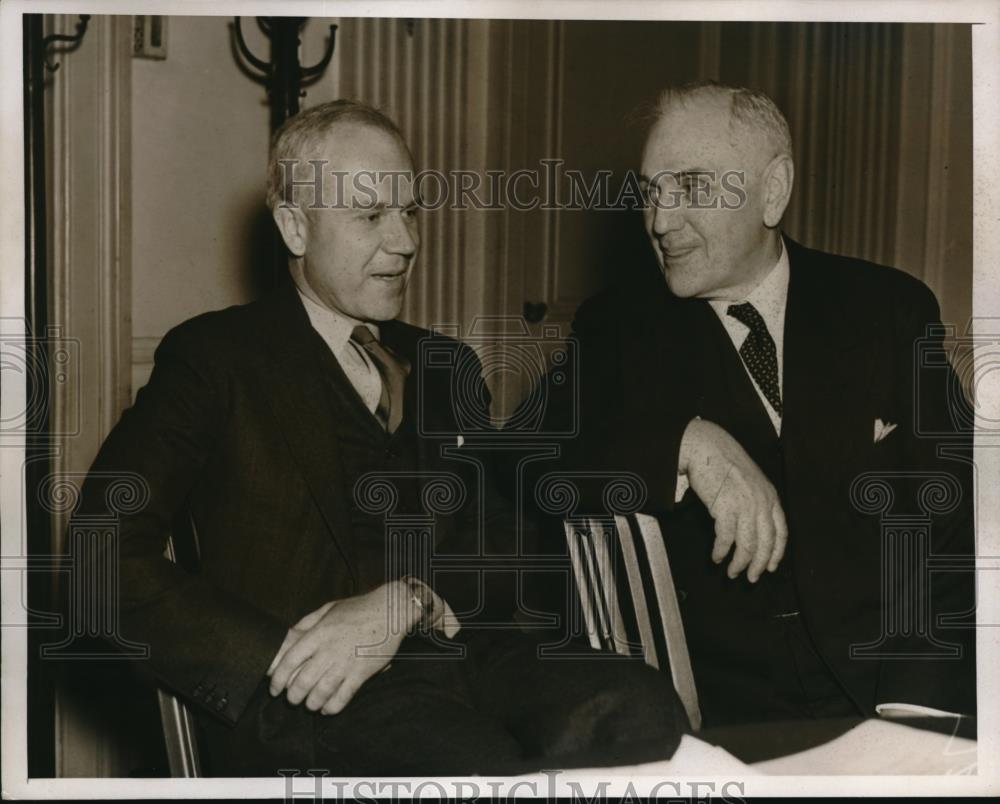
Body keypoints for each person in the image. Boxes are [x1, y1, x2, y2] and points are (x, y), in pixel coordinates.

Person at [76, 100, 689, 776]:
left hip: (468, 662)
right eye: (370, 216)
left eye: (409, 210)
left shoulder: (445, 364)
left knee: (643, 709)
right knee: (470, 763)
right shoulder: (215, 360)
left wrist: (413, 601)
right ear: (294, 228)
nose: (404, 242)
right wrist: (275, 656)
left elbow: (501, 557)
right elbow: (99, 556)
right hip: (316, 702)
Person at [531, 81, 976, 728]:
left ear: (772, 191)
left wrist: (919, 713)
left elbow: (960, 520)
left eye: (691, 187)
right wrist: (685, 445)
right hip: (732, 718)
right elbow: (528, 462)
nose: (660, 220)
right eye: (652, 191)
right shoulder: (617, 329)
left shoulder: (888, 310)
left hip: (900, 688)